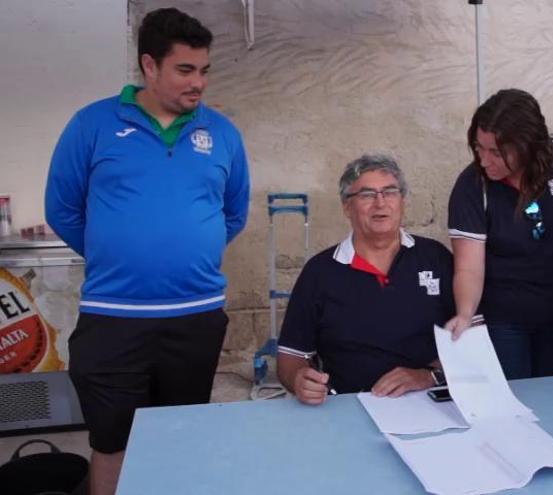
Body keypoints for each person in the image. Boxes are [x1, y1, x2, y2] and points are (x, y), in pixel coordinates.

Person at [44, 8, 249, 494]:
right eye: (185, 70)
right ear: (149, 66)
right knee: (112, 441)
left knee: (181, 437)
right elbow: (63, 209)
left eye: (204, 70)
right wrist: (117, 254)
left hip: (195, 316)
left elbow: (233, 212)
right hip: (115, 315)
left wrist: (190, 252)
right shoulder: (92, 124)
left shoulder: (221, 132)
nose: (198, 82)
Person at [277, 154, 454, 404]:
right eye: (367, 195)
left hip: (430, 401)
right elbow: (290, 356)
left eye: (390, 192)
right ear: (347, 207)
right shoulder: (320, 272)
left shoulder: (435, 258)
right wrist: (298, 380)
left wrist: (429, 376)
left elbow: (469, 335)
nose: (380, 203)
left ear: (402, 201)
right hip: (348, 405)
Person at [445, 88, 553, 380]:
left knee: (544, 390)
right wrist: (465, 314)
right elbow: (468, 267)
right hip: (504, 318)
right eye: (479, 148)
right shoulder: (472, 187)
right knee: (516, 397)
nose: (484, 160)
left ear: (527, 145)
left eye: (496, 152)